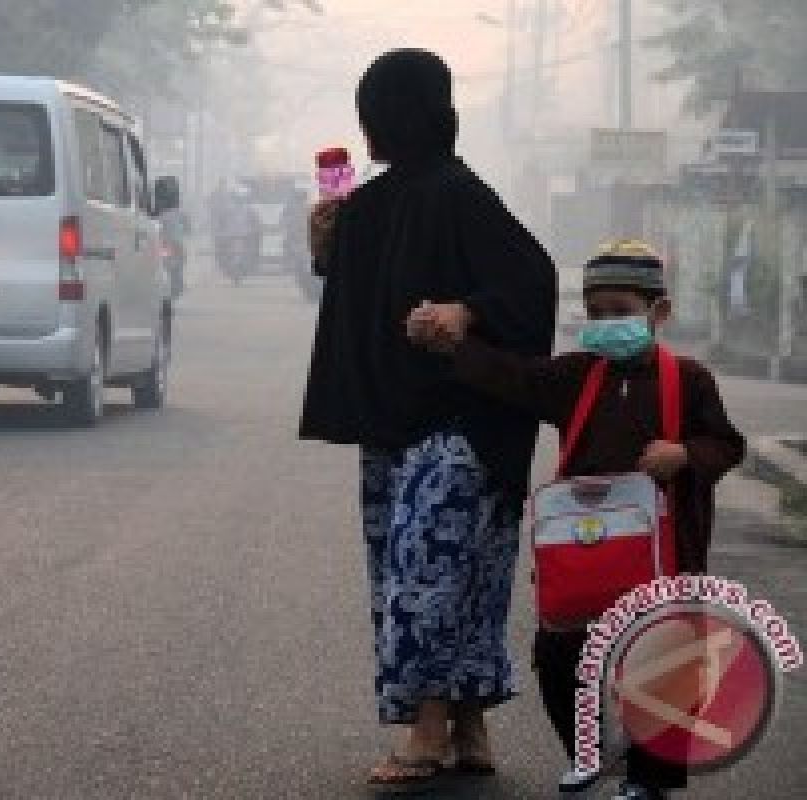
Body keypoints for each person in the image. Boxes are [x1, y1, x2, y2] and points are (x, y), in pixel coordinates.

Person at [299, 49, 557, 789]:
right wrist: (327, 245)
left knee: (433, 569)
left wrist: (464, 310)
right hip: (392, 419)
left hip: (464, 421)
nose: (370, 128)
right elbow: (356, 296)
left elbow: (530, 278)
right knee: (430, 571)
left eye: (378, 111)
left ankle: (429, 728)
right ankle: (469, 722)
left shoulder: (459, 194)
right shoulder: (373, 205)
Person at [405, 239, 746, 800]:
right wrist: (454, 343)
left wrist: (683, 455)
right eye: (597, 312)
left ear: (658, 312)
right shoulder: (576, 377)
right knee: (561, 657)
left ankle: (649, 779)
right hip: (584, 553)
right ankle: (586, 753)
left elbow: (726, 444)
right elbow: (512, 377)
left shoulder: (688, 380)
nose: (608, 323)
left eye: (622, 311)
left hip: (665, 556)